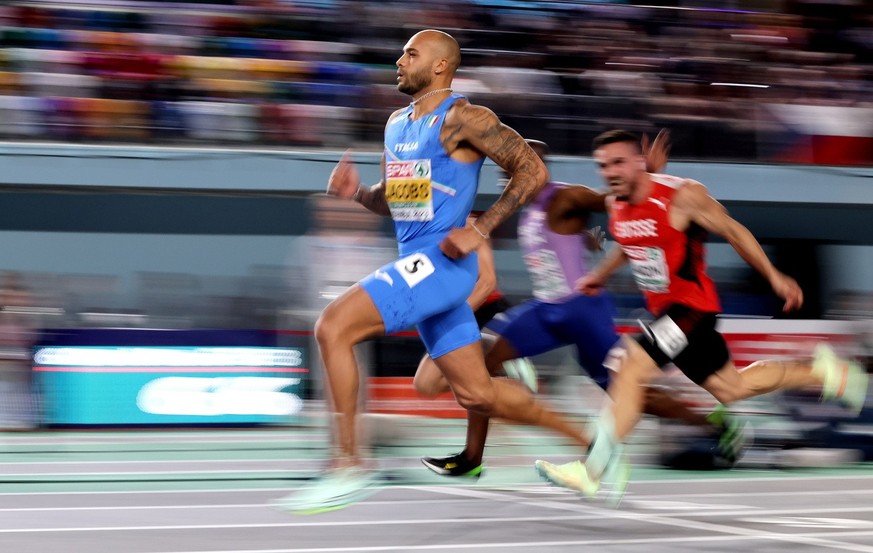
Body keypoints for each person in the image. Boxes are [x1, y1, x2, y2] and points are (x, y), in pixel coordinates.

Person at [279, 29, 597, 514]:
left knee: (332, 326)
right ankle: (592, 440)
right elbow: (397, 199)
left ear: (442, 66)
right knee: (478, 394)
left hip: (442, 265)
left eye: (411, 53)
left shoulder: (464, 118)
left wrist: (483, 227)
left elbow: (532, 170)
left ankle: (348, 464)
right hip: (420, 264)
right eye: (401, 51)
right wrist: (358, 193)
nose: (399, 59)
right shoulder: (396, 125)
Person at [534, 129, 869, 501]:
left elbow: (734, 230)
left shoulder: (682, 196)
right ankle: (825, 371)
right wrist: (600, 275)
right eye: (602, 165)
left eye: (618, 162)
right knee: (733, 388)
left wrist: (774, 276)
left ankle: (592, 470)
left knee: (629, 366)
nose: (609, 172)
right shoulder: (615, 203)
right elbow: (630, 243)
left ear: (638, 162)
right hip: (669, 314)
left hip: (691, 309)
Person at [415, 138, 747, 480]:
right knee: (478, 365)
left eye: (512, 173)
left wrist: (647, 175)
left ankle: (710, 423)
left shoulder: (565, 196)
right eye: (503, 176)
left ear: (536, 171)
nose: (506, 183)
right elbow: (575, 233)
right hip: (547, 311)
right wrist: (590, 235)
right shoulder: (529, 208)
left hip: (583, 312)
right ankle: (472, 456)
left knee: (628, 391)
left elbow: (611, 199)